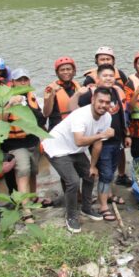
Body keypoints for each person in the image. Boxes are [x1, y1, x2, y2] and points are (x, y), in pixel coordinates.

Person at [42, 88, 114, 233]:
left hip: (75, 150)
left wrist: (93, 166)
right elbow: (80, 141)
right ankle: (71, 216)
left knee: (89, 175)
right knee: (73, 181)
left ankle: (86, 208)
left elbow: (98, 143)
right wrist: (102, 135)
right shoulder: (81, 115)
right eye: (100, 101)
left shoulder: (107, 117)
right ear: (93, 100)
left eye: (107, 102)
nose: (103, 105)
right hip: (56, 148)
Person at [72, 64, 128, 221]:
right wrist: (76, 95)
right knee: (106, 173)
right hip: (100, 140)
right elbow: (74, 110)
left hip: (117, 139)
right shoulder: (90, 94)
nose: (109, 78)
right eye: (105, 76)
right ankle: (103, 205)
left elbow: (122, 113)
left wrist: (126, 134)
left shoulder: (115, 91)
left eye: (112, 76)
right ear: (98, 78)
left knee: (111, 170)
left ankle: (107, 195)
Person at [2, 68, 50, 221]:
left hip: (32, 140)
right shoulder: (6, 97)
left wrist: (47, 136)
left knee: (33, 172)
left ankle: (32, 198)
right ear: (13, 82)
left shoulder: (31, 97)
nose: (23, 82)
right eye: (19, 80)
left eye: (25, 79)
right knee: (23, 172)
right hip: (15, 143)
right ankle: (26, 212)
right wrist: (10, 104)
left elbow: (40, 119)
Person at [83, 47, 131, 187]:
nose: (105, 61)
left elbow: (125, 101)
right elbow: (84, 105)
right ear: (97, 61)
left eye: (108, 58)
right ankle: (103, 186)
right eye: (102, 59)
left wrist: (127, 132)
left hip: (118, 124)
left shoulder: (119, 75)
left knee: (120, 153)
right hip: (100, 132)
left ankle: (121, 175)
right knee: (104, 164)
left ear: (113, 61)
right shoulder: (90, 79)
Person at [43, 57, 80, 131]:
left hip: (75, 127)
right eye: (62, 70)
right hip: (58, 129)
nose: (66, 72)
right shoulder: (50, 89)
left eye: (68, 69)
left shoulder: (78, 87)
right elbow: (46, 113)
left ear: (74, 71)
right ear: (57, 73)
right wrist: (52, 96)